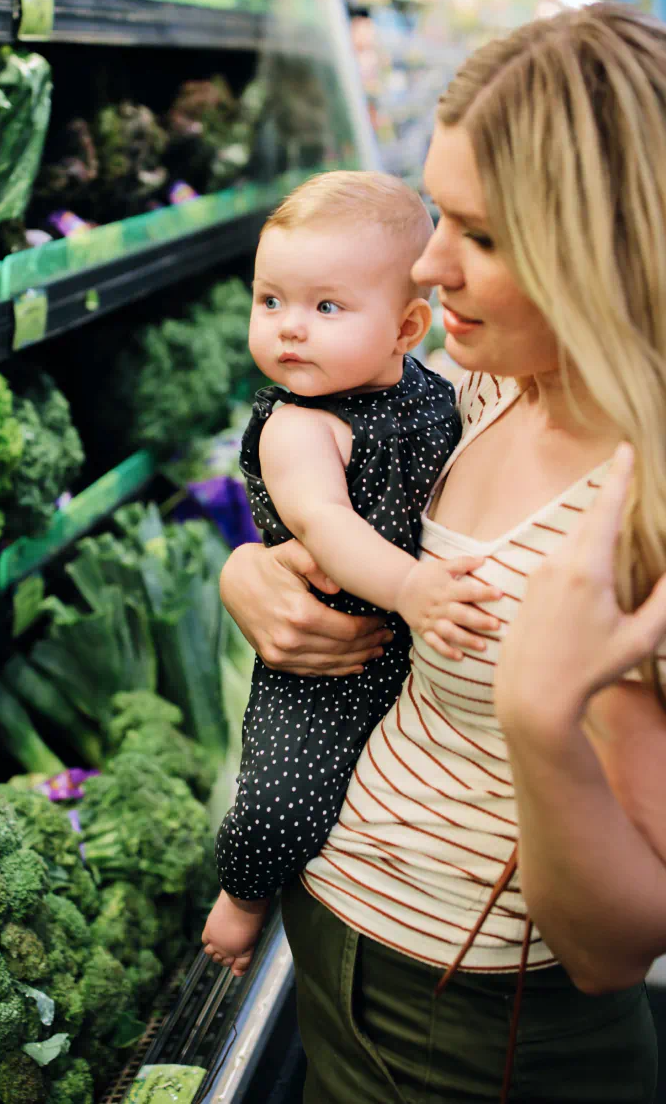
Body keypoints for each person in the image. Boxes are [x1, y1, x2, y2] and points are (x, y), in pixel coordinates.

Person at [218, 3, 666, 1103]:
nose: (430, 267)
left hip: (474, 1028)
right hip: (338, 940)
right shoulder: (489, 387)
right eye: (438, 213)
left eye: (482, 236)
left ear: (616, 250)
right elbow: (337, 508)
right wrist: (251, 574)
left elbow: (620, 942)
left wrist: (543, 721)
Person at [202, 171, 503, 976]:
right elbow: (326, 526)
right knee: (281, 801)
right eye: (272, 302)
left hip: (408, 660)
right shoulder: (300, 426)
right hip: (331, 666)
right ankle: (241, 900)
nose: (290, 330)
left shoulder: (436, 390)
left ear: (408, 327)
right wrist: (411, 588)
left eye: (326, 307)